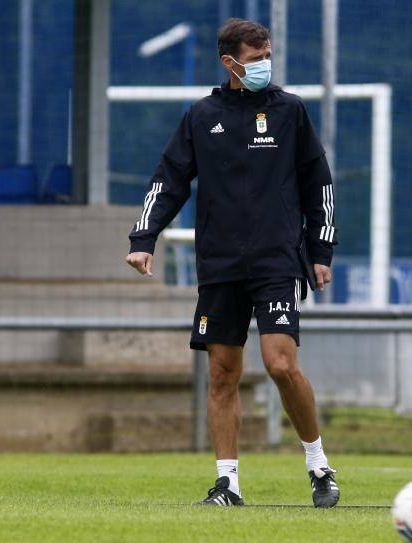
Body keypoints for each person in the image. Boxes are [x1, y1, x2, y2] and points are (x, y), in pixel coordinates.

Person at [125, 19, 339, 508]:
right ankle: (228, 484)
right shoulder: (202, 116)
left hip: (277, 260)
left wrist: (320, 251)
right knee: (223, 371)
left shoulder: (290, 111)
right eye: (256, 55)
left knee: (281, 364)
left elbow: (318, 185)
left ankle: (319, 466)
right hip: (220, 264)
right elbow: (169, 180)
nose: (265, 62)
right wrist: (144, 238)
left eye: (268, 54)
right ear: (230, 62)